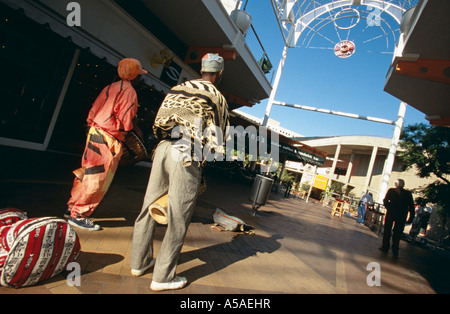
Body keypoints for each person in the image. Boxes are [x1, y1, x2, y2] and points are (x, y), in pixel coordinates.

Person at [130, 53, 229, 291]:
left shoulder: (178, 87)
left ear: (202, 68)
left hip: (163, 148)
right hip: (187, 152)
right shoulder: (217, 97)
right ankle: (163, 277)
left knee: (148, 206)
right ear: (219, 73)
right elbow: (217, 139)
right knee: (178, 217)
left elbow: (158, 121)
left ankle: (139, 262)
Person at [66, 58, 147, 231]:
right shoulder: (130, 91)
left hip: (94, 131)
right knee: (98, 178)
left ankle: (72, 207)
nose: (140, 79)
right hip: (108, 137)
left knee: (86, 172)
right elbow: (125, 121)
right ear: (134, 76)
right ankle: (79, 214)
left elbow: (93, 111)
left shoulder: (110, 87)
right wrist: (135, 128)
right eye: (139, 75)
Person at [380, 179, 415, 256]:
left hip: (391, 213)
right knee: (398, 232)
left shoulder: (391, 191)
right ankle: (395, 249)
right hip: (402, 215)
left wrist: (389, 207)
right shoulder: (408, 193)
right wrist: (411, 217)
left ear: (396, 184)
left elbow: (385, 201)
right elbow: (411, 206)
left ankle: (385, 247)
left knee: (387, 230)